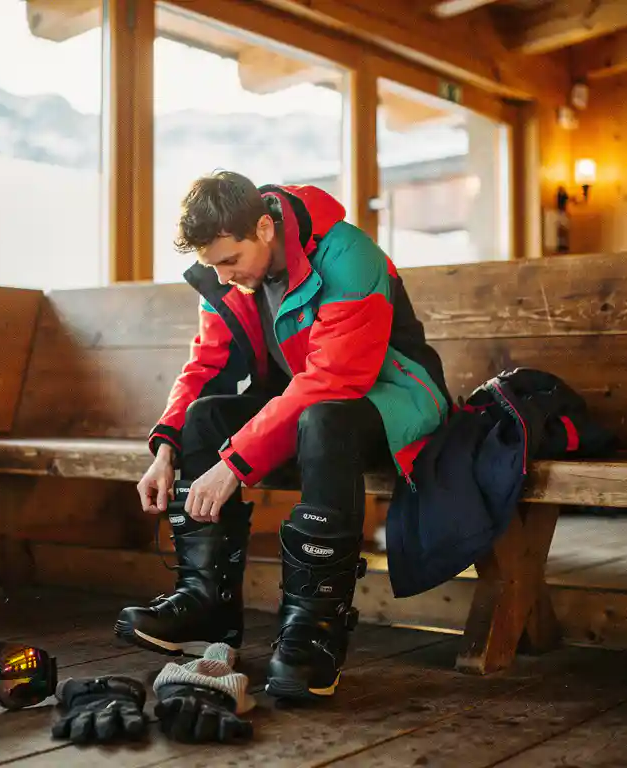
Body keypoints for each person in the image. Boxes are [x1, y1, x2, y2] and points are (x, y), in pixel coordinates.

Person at [115, 170, 452, 702]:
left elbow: (335, 380)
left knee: (325, 419)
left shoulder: (348, 255)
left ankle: (314, 629)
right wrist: (165, 450)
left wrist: (233, 464)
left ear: (266, 229)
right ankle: (207, 604)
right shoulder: (230, 279)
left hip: (395, 395)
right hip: (308, 402)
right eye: (213, 266)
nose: (223, 278)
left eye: (230, 261)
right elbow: (205, 365)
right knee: (205, 417)